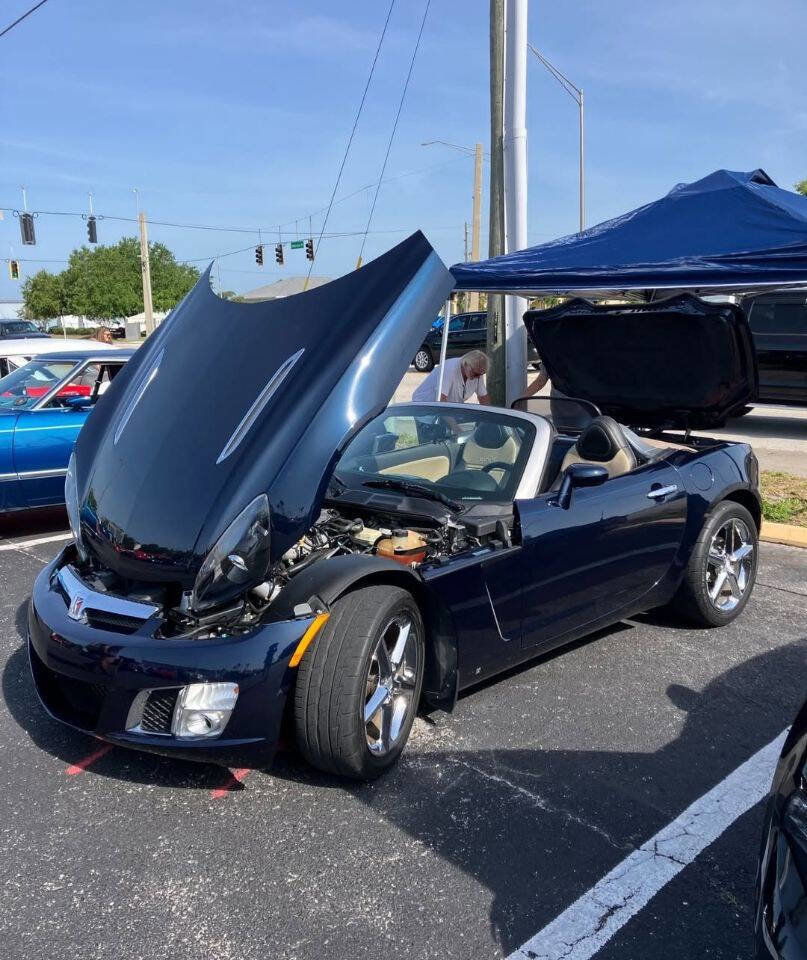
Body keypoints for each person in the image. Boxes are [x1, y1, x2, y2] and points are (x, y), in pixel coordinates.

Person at [412, 349, 490, 405]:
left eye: (481, 374)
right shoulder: (449, 369)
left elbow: (483, 397)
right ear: (466, 364)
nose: (478, 377)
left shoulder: (478, 374)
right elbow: (441, 400)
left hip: (447, 406)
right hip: (424, 405)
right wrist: (454, 424)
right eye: (475, 374)